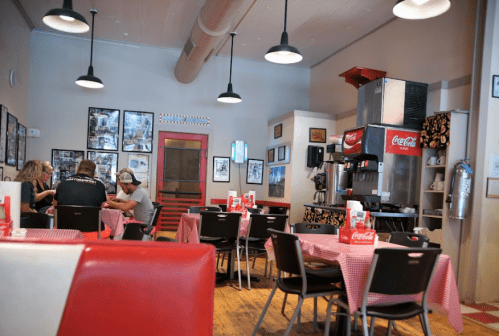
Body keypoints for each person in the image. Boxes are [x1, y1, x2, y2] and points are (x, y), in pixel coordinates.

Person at [54, 160, 107, 230]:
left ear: (78, 169)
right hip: (92, 228)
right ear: (93, 173)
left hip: (64, 227)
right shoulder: (100, 186)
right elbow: (101, 206)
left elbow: (55, 205)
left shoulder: (63, 183)